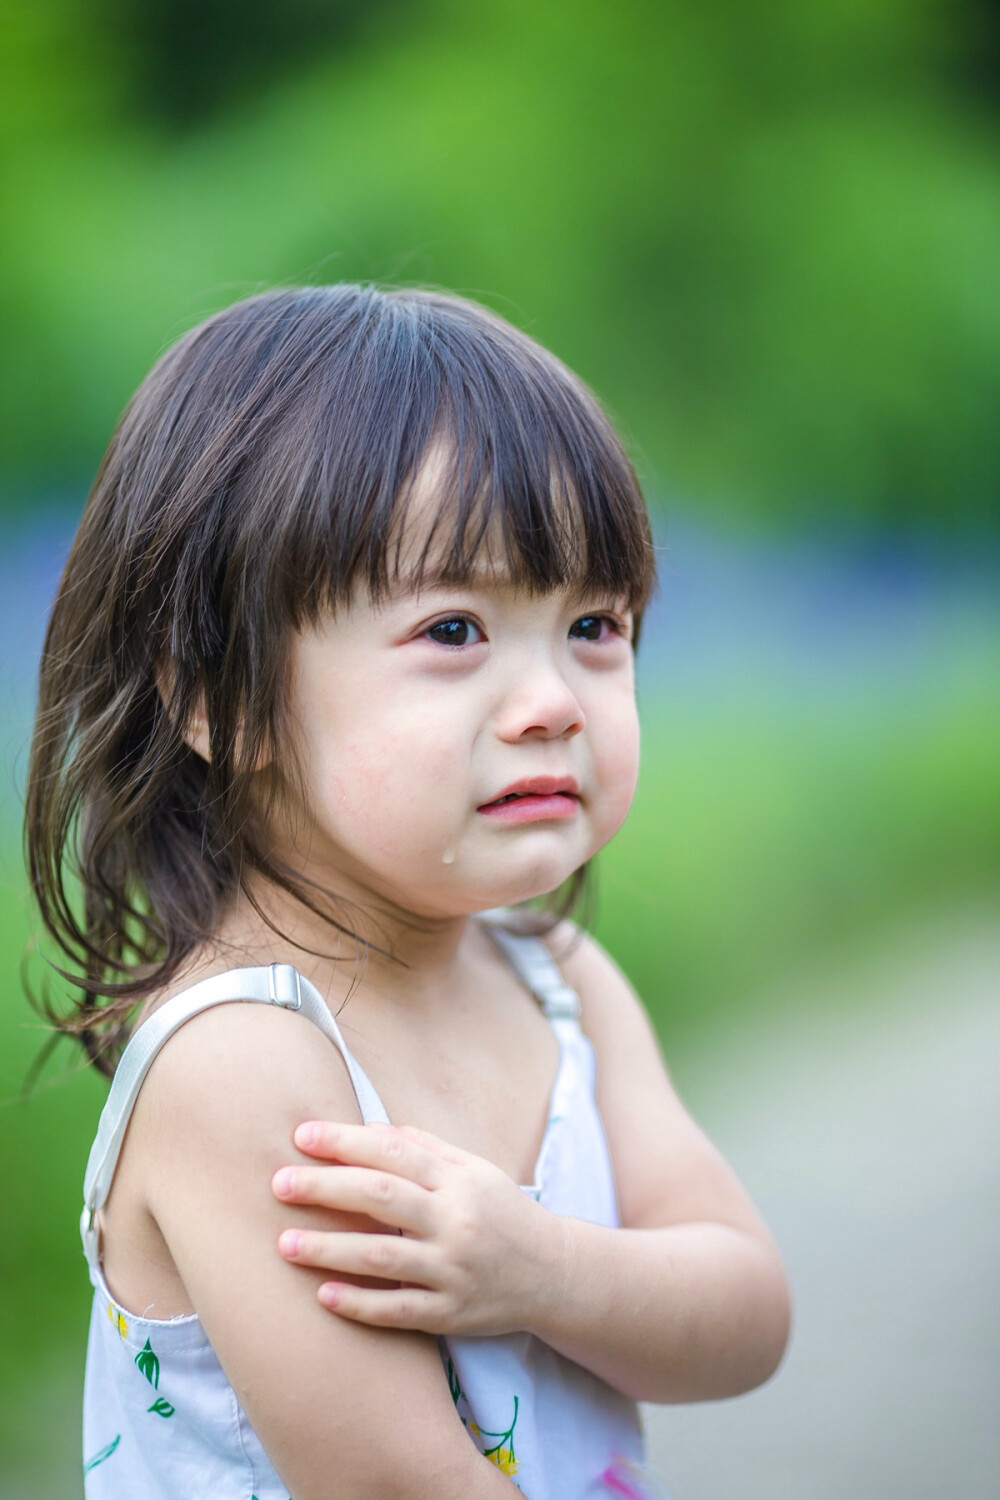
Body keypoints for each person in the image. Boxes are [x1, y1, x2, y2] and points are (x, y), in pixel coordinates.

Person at [25, 285, 791, 1500]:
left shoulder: (559, 984)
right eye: (452, 630)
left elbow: (747, 1313)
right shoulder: (243, 1064)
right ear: (221, 699)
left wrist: (540, 1271)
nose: (552, 700)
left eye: (593, 622)